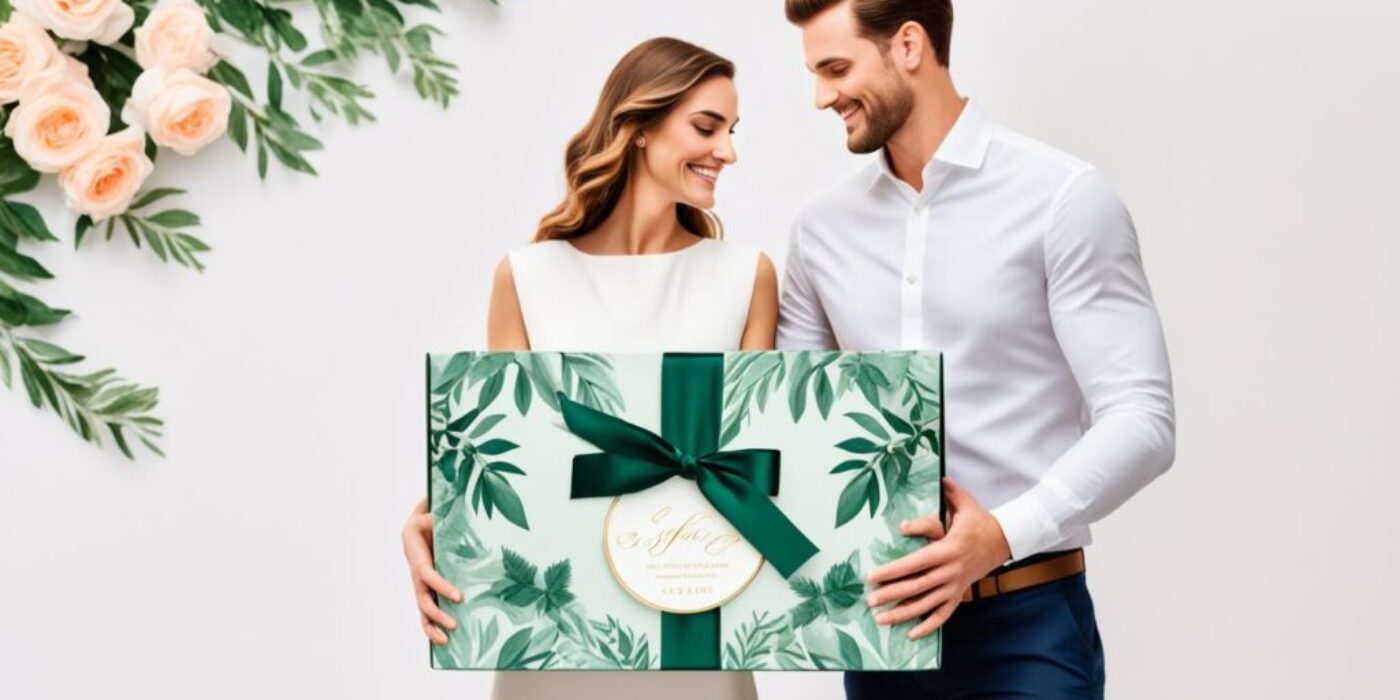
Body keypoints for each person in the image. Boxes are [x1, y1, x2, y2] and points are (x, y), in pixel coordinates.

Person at [778, 1, 1177, 698]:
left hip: (1027, 623)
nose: (822, 97)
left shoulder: (1063, 199)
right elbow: (788, 423)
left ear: (909, 45)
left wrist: (1001, 533)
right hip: (883, 633)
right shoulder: (819, 231)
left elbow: (1142, 418)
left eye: (836, 69)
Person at [400, 37, 772, 700]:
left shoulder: (745, 277)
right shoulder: (527, 278)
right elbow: (508, 457)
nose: (728, 151)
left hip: (694, 633)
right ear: (637, 128)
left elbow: (762, 468)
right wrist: (428, 516)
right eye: (707, 127)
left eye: (731, 131)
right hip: (553, 644)